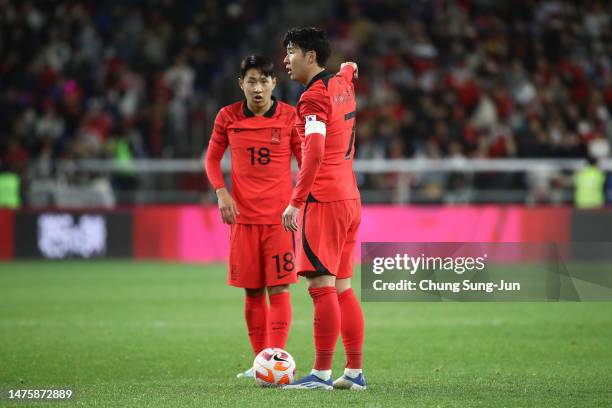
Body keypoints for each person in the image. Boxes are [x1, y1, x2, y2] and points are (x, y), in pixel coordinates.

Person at [204, 55, 302, 378]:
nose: (257, 88)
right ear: (241, 84)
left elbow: (306, 163)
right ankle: (260, 363)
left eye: (264, 81)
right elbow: (211, 159)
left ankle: (277, 360)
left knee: (280, 289)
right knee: (253, 292)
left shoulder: (290, 117)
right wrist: (221, 192)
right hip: (243, 221)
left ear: (274, 83)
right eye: (251, 81)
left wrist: (300, 202)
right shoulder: (227, 117)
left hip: (279, 221)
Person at [280, 27, 365, 390]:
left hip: (324, 199)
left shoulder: (313, 97)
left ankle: (321, 373)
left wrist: (296, 202)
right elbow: (347, 72)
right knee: (343, 288)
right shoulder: (341, 84)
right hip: (350, 198)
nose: (285, 60)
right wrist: (349, 68)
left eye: (291, 52)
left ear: (310, 56)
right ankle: (355, 372)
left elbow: (313, 151)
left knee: (320, 286)